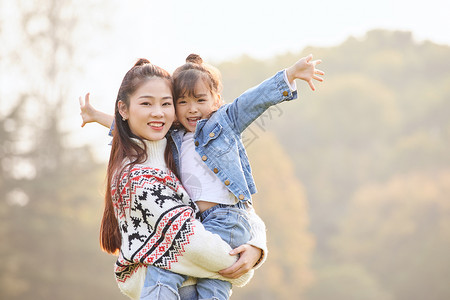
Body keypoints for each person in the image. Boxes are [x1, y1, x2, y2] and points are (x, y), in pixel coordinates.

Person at [81, 53, 324, 300]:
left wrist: (289, 75)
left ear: (216, 100)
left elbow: (251, 102)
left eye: (200, 100)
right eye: (182, 102)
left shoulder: (222, 124)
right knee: (166, 271)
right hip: (200, 224)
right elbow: (127, 126)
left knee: (201, 284)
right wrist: (96, 116)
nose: (192, 109)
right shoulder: (167, 144)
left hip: (226, 219)